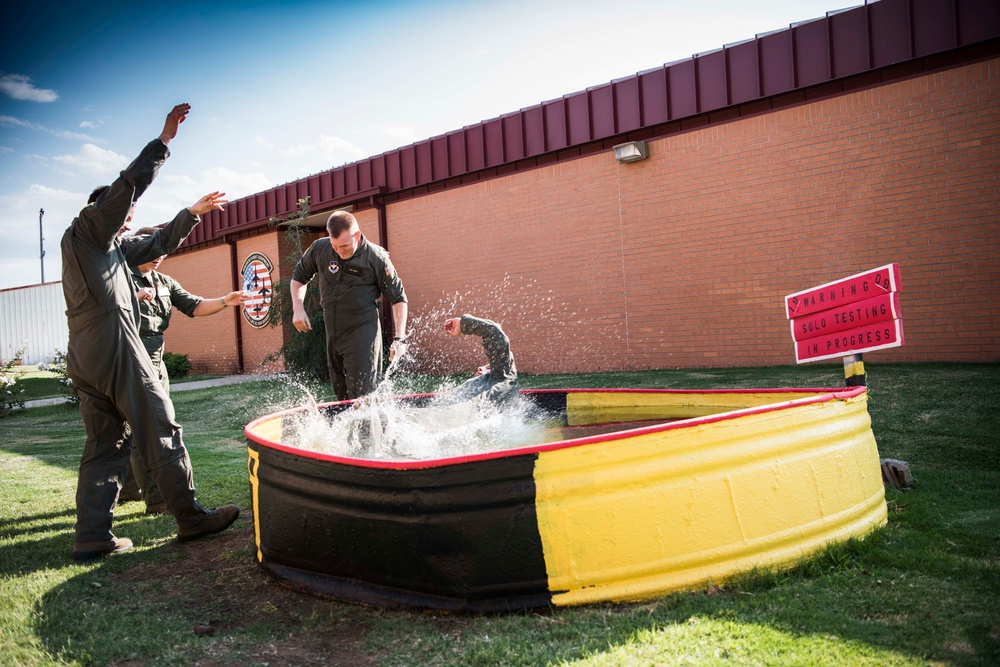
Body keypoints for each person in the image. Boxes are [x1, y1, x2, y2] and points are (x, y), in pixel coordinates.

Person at [61, 103, 240, 561]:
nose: (129, 219)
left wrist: (191, 212)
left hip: (85, 355)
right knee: (159, 425)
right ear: (100, 210)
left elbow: (156, 243)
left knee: (106, 443)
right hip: (116, 348)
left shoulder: (109, 250)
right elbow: (128, 184)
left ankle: (93, 535)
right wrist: (164, 141)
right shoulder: (89, 229)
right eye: (124, 214)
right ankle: (190, 516)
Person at [119, 229, 248, 513]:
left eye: (163, 250)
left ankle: (127, 490)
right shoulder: (120, 278)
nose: (159, 256)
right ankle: (157, 500)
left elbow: (194, 305)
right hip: (130, 359)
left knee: (134, 427)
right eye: (153, 250)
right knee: (147, 429)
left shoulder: (164, 281)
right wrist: (134, 299)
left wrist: (226, 300)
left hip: (157, 361)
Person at [289, 211, 408, 401]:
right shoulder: (321, 248)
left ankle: (371, 431)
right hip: (334, 331)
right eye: (335, 246)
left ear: (357, 236)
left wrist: (399, 338)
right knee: (342, 394)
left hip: (362, 329)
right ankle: (356, 431)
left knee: (363, 394)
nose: (339, 251)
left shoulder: (375, 257)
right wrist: (298, 307)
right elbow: (298, 278)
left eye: (344, 246)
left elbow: (398, 298)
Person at [441, 314, 519, 407]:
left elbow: (494, 332)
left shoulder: (503, 377)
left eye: (488, 367)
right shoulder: (473, 386)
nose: (480, 368)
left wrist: (463, 324)